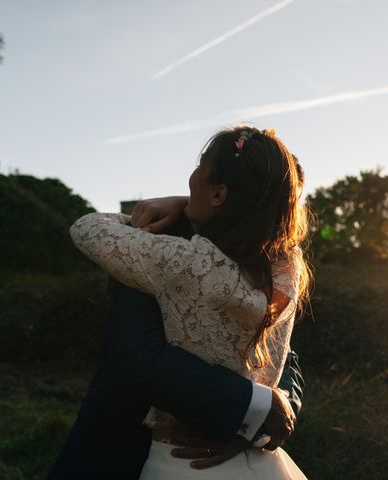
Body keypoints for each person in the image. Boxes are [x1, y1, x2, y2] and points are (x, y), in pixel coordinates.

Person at [69, 126, 311, 478]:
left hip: (180, 461)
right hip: (263, 465)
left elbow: (87, 229)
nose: (191, 178)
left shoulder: (177, 257)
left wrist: (173, 209)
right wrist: (258, 416)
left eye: (200, 166)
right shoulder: (286, 267)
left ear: (218, 193)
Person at [47, 222, 304, 479]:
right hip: (126, 452)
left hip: (245, 459)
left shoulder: (264, 254)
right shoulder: (147, 241)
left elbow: (284, 354)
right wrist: (254, 408)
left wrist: (273, 413)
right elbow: (135, 355)